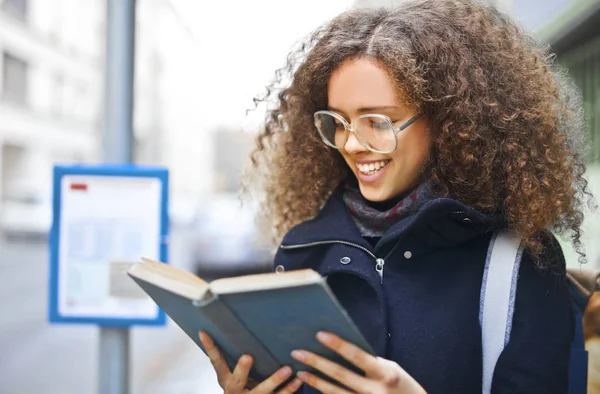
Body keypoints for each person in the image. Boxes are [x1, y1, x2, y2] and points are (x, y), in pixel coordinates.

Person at [200, 0, 594, 392]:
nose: (352, 144)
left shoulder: (515, 261)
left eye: (377, 121)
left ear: (446, 121)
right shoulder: (301, 251)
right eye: (338, 122)